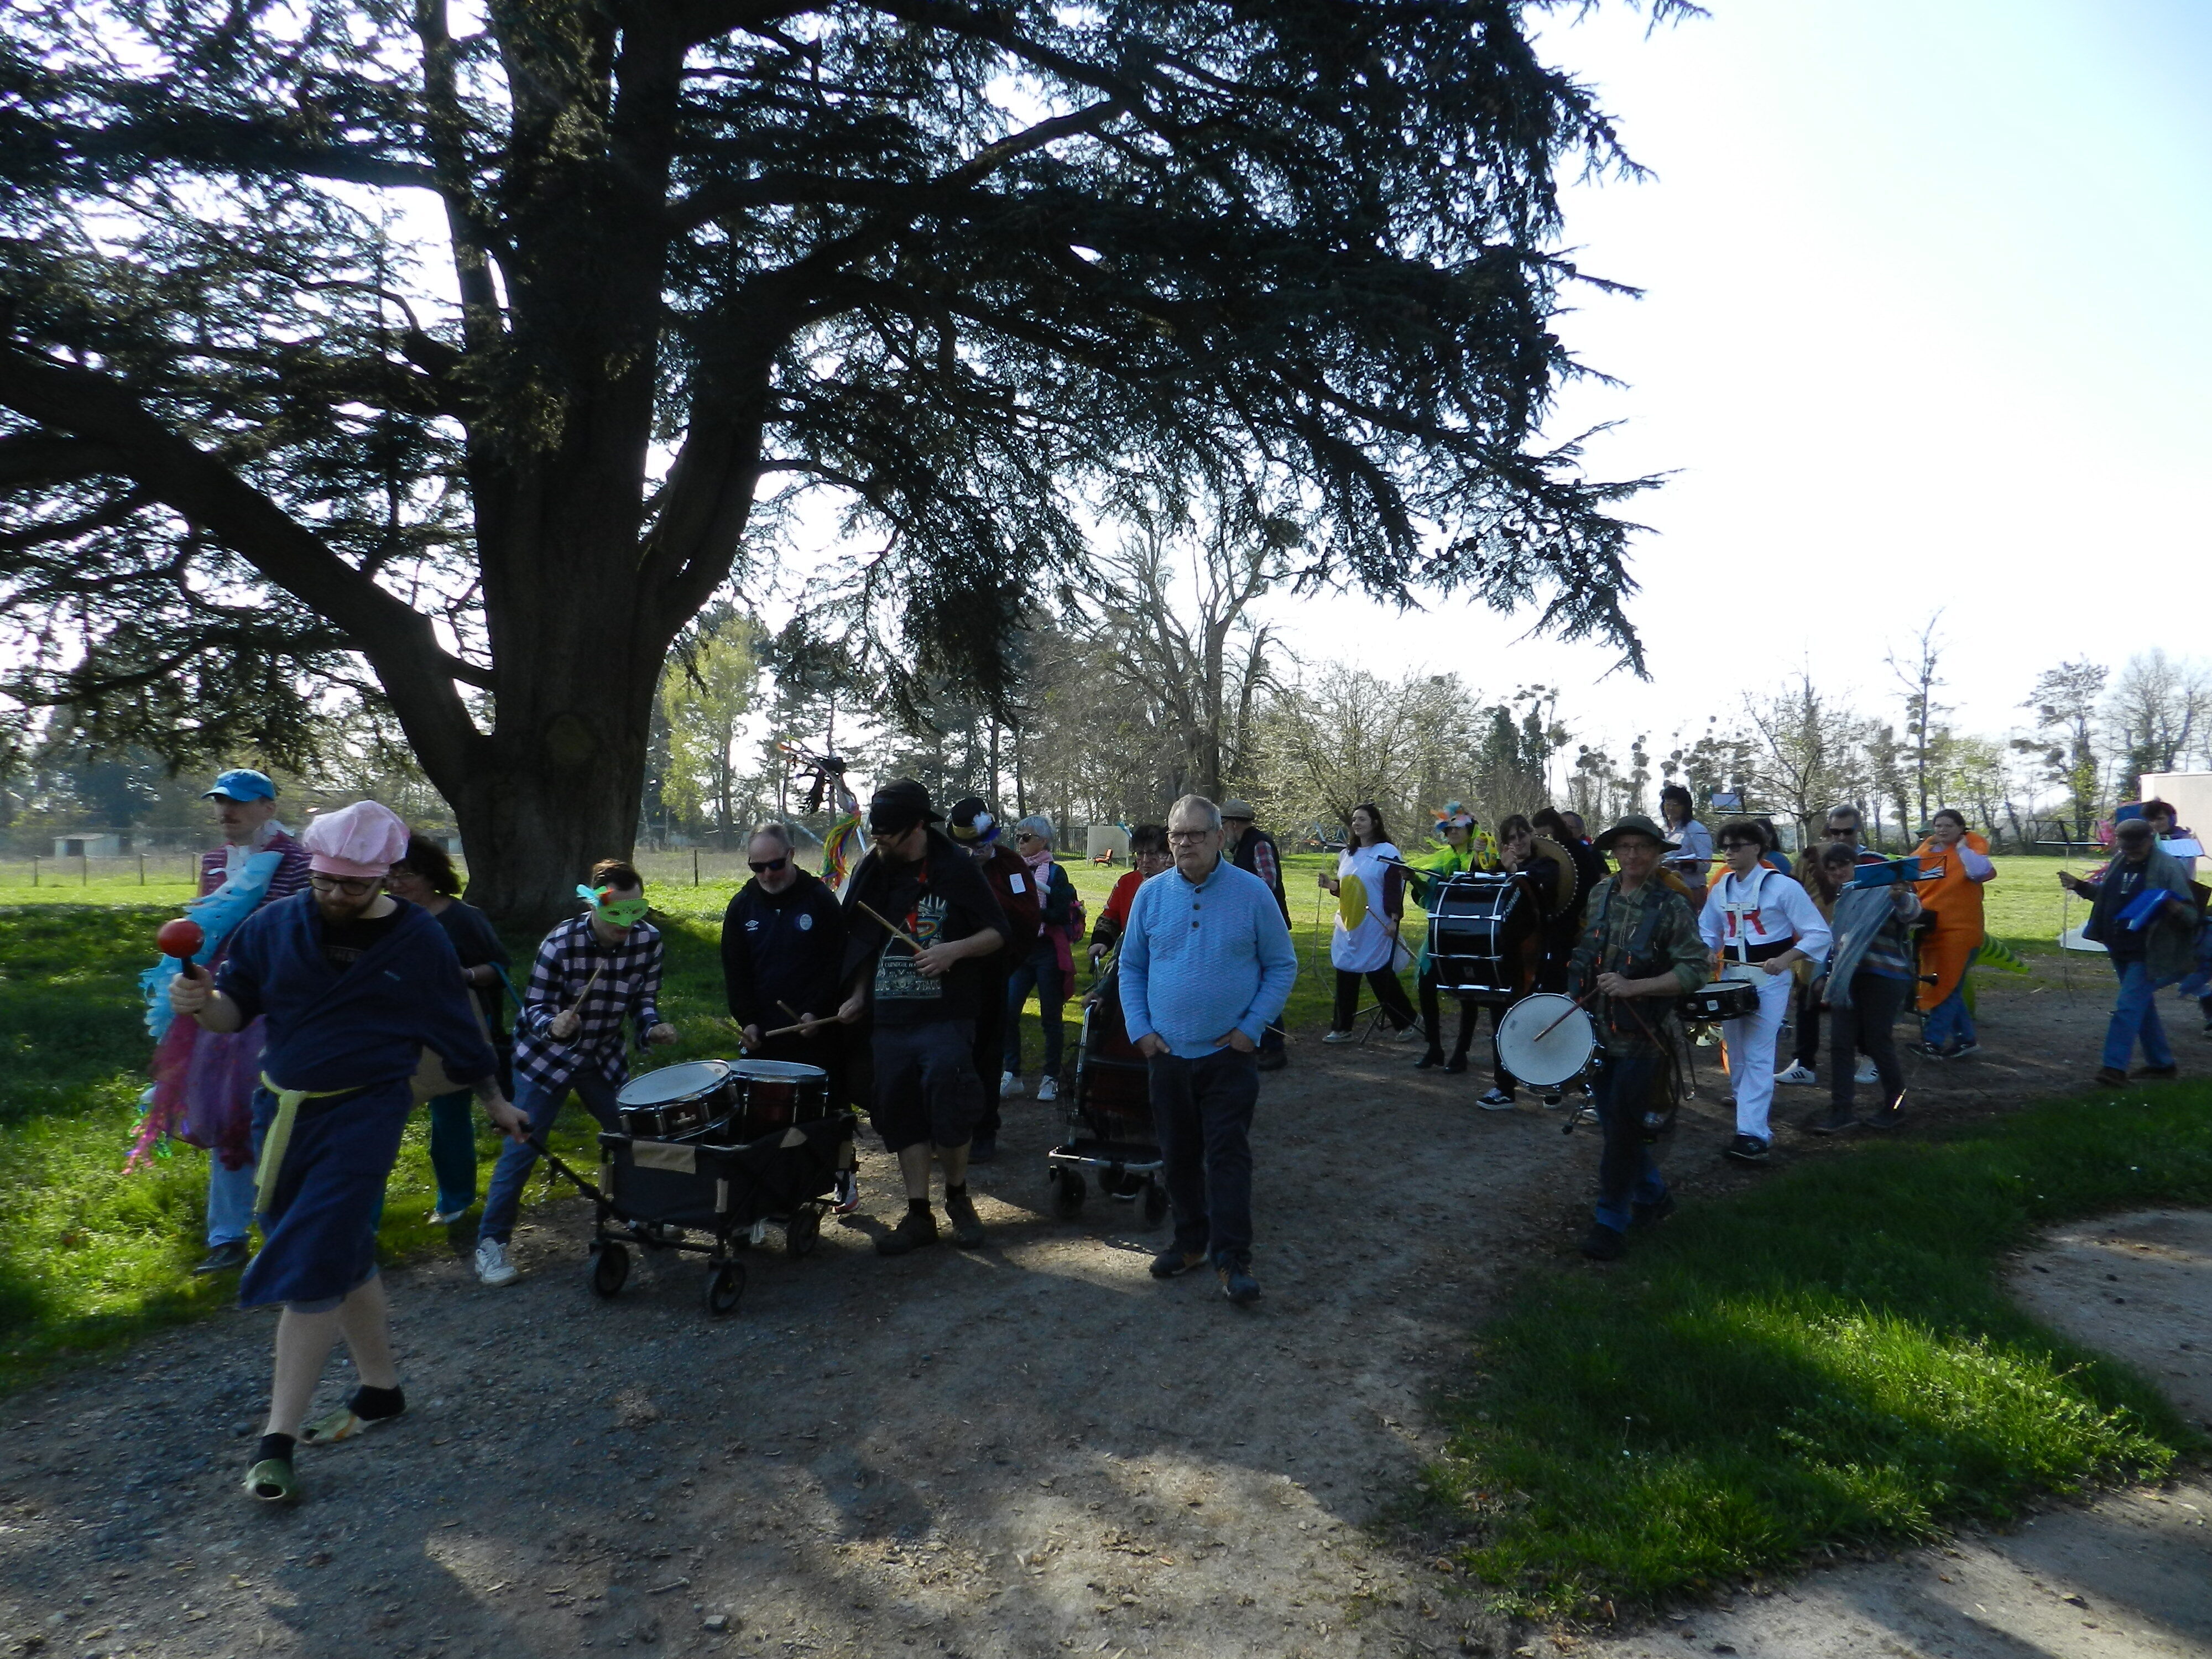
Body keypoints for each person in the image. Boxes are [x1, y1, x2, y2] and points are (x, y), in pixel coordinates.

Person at [166, 799, 523, 1504]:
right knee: (340, 1246)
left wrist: (494, 1100)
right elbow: (236, 1010)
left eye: (352, 887)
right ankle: (381, 1390)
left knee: (314, 1258)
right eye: (325, 882)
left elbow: (456, 1028)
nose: (334, 896)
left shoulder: (420, 940)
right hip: (284, 1109)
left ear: (385, 878)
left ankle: (275, 1442)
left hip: (368, 1110)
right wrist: (199, 1002)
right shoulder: (273, 925)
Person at [1118, 794, 1298, 1305]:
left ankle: (1232, 1258)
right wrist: (1141, 1031)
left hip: (1229, 1057)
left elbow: (1282, 965)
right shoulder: (1150, 896)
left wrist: (1251, 1029)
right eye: (1177, 834)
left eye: (1197, 834)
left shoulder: (1252, 893)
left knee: (1226, 1156)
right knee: (1177, 1156)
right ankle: (1191, 1242)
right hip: (1168, 1055)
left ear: (1221, 837)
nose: (1185, 843)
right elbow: (1131, 967)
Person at [140, 769, 314, 1275]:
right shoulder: (215, 861)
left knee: (272, 1111)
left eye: (238, 803)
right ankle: (228, 1236)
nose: (225, 812)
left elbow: (297, 934)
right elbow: (203, 932)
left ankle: (285, 1227)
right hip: (219, 1001)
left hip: (277, 1002)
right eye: (218, 802)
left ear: (268, 808)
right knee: (225, 1109)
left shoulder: (301, 862)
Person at [473, 859, 676, 1287]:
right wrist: (554, 1024)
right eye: (616, 912)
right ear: (594, 905)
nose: (627, 922)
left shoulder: (648, 942)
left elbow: (644, 1000)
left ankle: (646, 1216)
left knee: (632, 1136)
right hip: (547, 1058)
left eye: (635, 911)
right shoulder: (560, 943)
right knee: (524, 1143)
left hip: (602, 1057)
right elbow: (533, 1008)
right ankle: (490, 1245)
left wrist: (650, 1026)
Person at [836, 780, 1009, 1254]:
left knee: (951, 1105)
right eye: (877, 834)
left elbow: (998, 931)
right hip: (890, 1018)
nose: (881, 842)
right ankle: (918, 1215)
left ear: (917, 826)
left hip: (946, 1015)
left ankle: (958, 1197)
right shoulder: (876, 869)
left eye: (889, 834)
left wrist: (953, 950)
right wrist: (857, 994)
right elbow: (862, 943)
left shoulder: (954, 866)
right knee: (901, 1112)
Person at [1567, 815, 1709, 1262]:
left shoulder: (1672, 906)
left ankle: (1610, 1222)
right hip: (1596, 1029)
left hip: (1644, 1037)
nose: (1633, 856)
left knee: (1623, 1129)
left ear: (1657, 853)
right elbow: (1588, 951)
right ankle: (1653, 1196)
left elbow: (1696, 970)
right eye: (1625, 847)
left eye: (1642, 847)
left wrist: (1635, 987)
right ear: (1614, 852)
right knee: (1614, 1124)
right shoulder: (1600, 893)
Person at [385, 836, 510, 1225]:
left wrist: (466, 975)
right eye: (390, 875)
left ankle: (454, 1201)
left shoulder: (463, 918)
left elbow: (500, 968)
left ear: (431, 875)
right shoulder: (384, 917)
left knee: (449, 1117)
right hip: (397, 1033)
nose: (396, 884)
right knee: (378, 1118)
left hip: (456, 1031)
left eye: (406, 875)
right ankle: (362, 1213)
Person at [1698, 818, 1830, 1165]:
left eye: (1736, 846)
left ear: (1757, 847)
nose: (1729, 853)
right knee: (1736, 1053)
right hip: (1731, 976)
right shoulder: (1721, 888)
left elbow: (1818, 933)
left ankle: (1753, 1133)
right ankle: (1748, 1123)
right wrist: (1708, 949)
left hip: (1769, 979)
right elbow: (1708, 931)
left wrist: (1786, 958)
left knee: (1758, 1053)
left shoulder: (1783, 887)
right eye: (1725, 847)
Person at [2062, 817, 2200, 1086]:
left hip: (2148, 949)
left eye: (2137, 847)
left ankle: (2113, 1068)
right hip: (2119, 943)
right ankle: (2162, 1064)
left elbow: (2192, 915)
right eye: (2126, 847)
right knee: (2141, 1005)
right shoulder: (2119, 861)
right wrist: (2079, 885)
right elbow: (2106, 895)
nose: (2131, 852)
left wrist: (2176, 908)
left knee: (2126, 1008)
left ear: (2150, 840)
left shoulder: (2168, 867)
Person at [1800, 841, 1921, 1134]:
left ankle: (1895, 1106)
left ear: (1856, 866)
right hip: (1847, 981)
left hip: (1884, 977)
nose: (1838, 872)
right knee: (1840, 1044)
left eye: (1843, 866)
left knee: (1878, 1042)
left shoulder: (1885, 891)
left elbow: (1911, 914)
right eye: (1831, 869)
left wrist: (1899, 897)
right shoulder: (1845, 900)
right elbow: (1834, 943)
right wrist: (1822, 976)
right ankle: (1842, 1111)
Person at [946, 797, 1042, 1164]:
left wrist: (1003, 958)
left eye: (985, 842)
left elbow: (1026, 918)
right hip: (950, 980)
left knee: (987, 1056)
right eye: (971, 846)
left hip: (993, 976)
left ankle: (985, 1130)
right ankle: (953, 1128)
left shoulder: (1011, 865)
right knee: (952, 1056)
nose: (980, 851)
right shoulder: (947, 870)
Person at [721, 820, 848, 1074]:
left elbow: (837, 962)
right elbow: (736, 971)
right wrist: (747, 1021)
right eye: (757, 867)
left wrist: (817, 1010)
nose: (767, 874)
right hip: (763, 1033)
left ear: (791, 854)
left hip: (814, 1030)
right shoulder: (741, 906)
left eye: (775, 865)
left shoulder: (820, 900)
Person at [1777, 806, 1886, 1089]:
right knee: (1807, 999)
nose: (1839, 837)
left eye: (1846, 831)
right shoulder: (1812, 856)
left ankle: (1870, 1057)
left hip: (1858, 943)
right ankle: (1804, 1063)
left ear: (1858, 829)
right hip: (1816, 938)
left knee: (1857, 1001)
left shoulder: (1873, 862)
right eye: (1834, 831)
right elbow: (1791, 889)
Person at [1319, 803, 1420, 1041]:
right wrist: (1330, 885)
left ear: (1375, 823)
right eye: (1354, 819)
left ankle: (1407, 1021)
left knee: (1379, 974)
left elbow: (1394, 889)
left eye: (1362, 819)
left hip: (1377, 925)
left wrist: (1395, 920)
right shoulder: (1347, 854)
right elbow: (1348, 888)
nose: (1356, 823)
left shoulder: (1388, 852)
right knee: (1345, 971)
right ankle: (1342, 1028)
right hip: (1350, 924)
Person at [1404, 803, 1490, 1076]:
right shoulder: (1441, 859)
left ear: (1470, 828)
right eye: (1448, 828)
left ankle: (1461, 1052)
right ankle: (1434, 1048)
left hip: (1468, 932)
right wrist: (1413, 879)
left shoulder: (1484, 853)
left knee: (1467, 993)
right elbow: (1431, 896)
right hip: (1441, 931)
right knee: (1427, 986)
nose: (1452, 832)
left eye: (1457, 827)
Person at [1001, 815, 1080, 1103]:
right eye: (1017, 836)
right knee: (1008, 1012)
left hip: (1047, 950)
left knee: (1051, 1018)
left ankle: (1050, 1078)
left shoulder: (1056, 873)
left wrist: (1032, 914)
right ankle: (1013, 1074)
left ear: (1043, 841)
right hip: (1022, 951)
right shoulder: (1013, 870)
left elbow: (1062, 911)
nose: (1019, 842)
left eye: (1026, 837)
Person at [1912, 808, 1997, 1059]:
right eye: (1938, 825)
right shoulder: (1926, 852)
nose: (1942, 830)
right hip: (1931, 930)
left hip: (1961, 933)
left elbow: (1979, 872)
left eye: (1949, 825)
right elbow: (1911, 875)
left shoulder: (1972, 853)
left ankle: (1933, 1043)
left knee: (1947, 986)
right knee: (1951, 986)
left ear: (1962, 829)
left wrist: (1961, 848)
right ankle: (1966, 1040)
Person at [1221, 800, 1293, 1071]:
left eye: (1224, 826)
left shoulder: (1259, 843)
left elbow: (1267, 883)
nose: (1223, 832)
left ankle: (1274, 1049)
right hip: (1252, 926)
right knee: (1253, 984)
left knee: (1265, 986)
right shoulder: (1244, 845)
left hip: (1266, 927)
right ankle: (1263, 1044)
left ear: (1235, 824)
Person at [1091, 823, 1171, 968]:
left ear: (1166, 854)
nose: (1145, 860)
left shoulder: (1176, 884)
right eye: (1140, 853)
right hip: (1131, 957)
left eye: (1152, 853)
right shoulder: (1126, 882)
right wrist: (1101, 940)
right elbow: (1111, 917)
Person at [1534, 805, 1608, 935]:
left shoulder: (1578, 850)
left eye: (1547, 836)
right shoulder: (1538, 850)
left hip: (1574, 918)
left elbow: (1594, 884)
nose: (1545, 841)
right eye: (1540, 837)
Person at [1658, 785, 1713, 911]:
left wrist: (1674, 862)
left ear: (1685, 807)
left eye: (1676, 804)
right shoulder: (1663, 831)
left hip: (1691, 893)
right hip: (1666, 894)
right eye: (1668, 804)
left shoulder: (1696, 830)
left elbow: (1706, 864)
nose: (1671, 808)